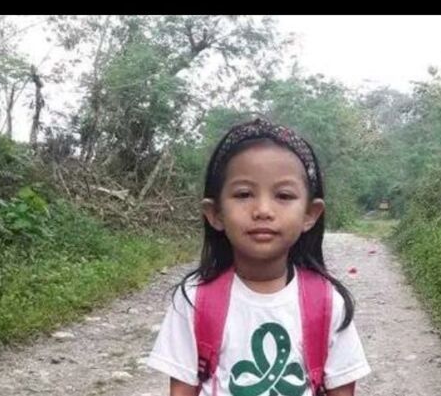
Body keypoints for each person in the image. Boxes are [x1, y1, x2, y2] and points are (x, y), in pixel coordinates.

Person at [147, 118, 371, 396]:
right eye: (244, 194)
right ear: (215, 213)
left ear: (310, 214)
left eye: (284, 195)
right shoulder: (194, 302)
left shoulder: (328, 304)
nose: (263, 210)